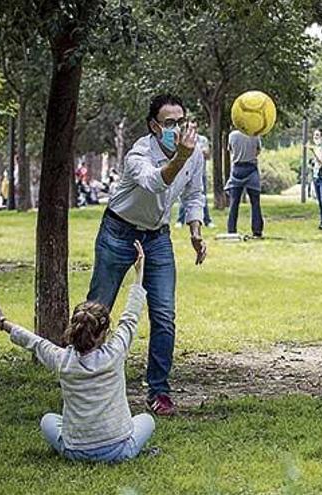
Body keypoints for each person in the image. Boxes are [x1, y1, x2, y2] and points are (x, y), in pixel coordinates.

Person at [87, 93, 207, 417]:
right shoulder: (139, 153)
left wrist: (195, 231)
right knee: (98, 310)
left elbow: (195, 194)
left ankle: (159, 391)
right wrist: (181, 157)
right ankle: (87, 382)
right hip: (118, 231)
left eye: (181, 121)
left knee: (164, 315)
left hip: (157, 238)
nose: (177, 127)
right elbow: (156, 183)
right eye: (169, 123)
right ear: (154, 126)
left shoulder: (195, 153)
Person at [0, 241, 156, 463]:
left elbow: (33, 341)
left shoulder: (62, 360)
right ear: (103, 333)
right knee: (146, 420)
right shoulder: (115, 353)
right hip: (119, 450)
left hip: (74, 451)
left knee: (48, 419)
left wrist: (2, 321)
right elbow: (130, 317)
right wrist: (138, 274)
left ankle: (81, 446)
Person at [225, 128, 264, 237]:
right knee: (255, 203)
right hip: (251, 168)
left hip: (237, 168)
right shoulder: (255, 135)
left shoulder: (232, 135)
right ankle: (257, 230)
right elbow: (258, 151)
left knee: (234, 203)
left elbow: (231, 150)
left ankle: (231, 229)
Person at [177, 133, 214, 229]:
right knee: (184, 197)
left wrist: (198, 151)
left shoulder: (203, 139)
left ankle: (206, 220)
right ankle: (180, 220)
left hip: (201, 174)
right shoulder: (181, 138)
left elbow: (208, 155)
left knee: (200, 197)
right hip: (185, 173)